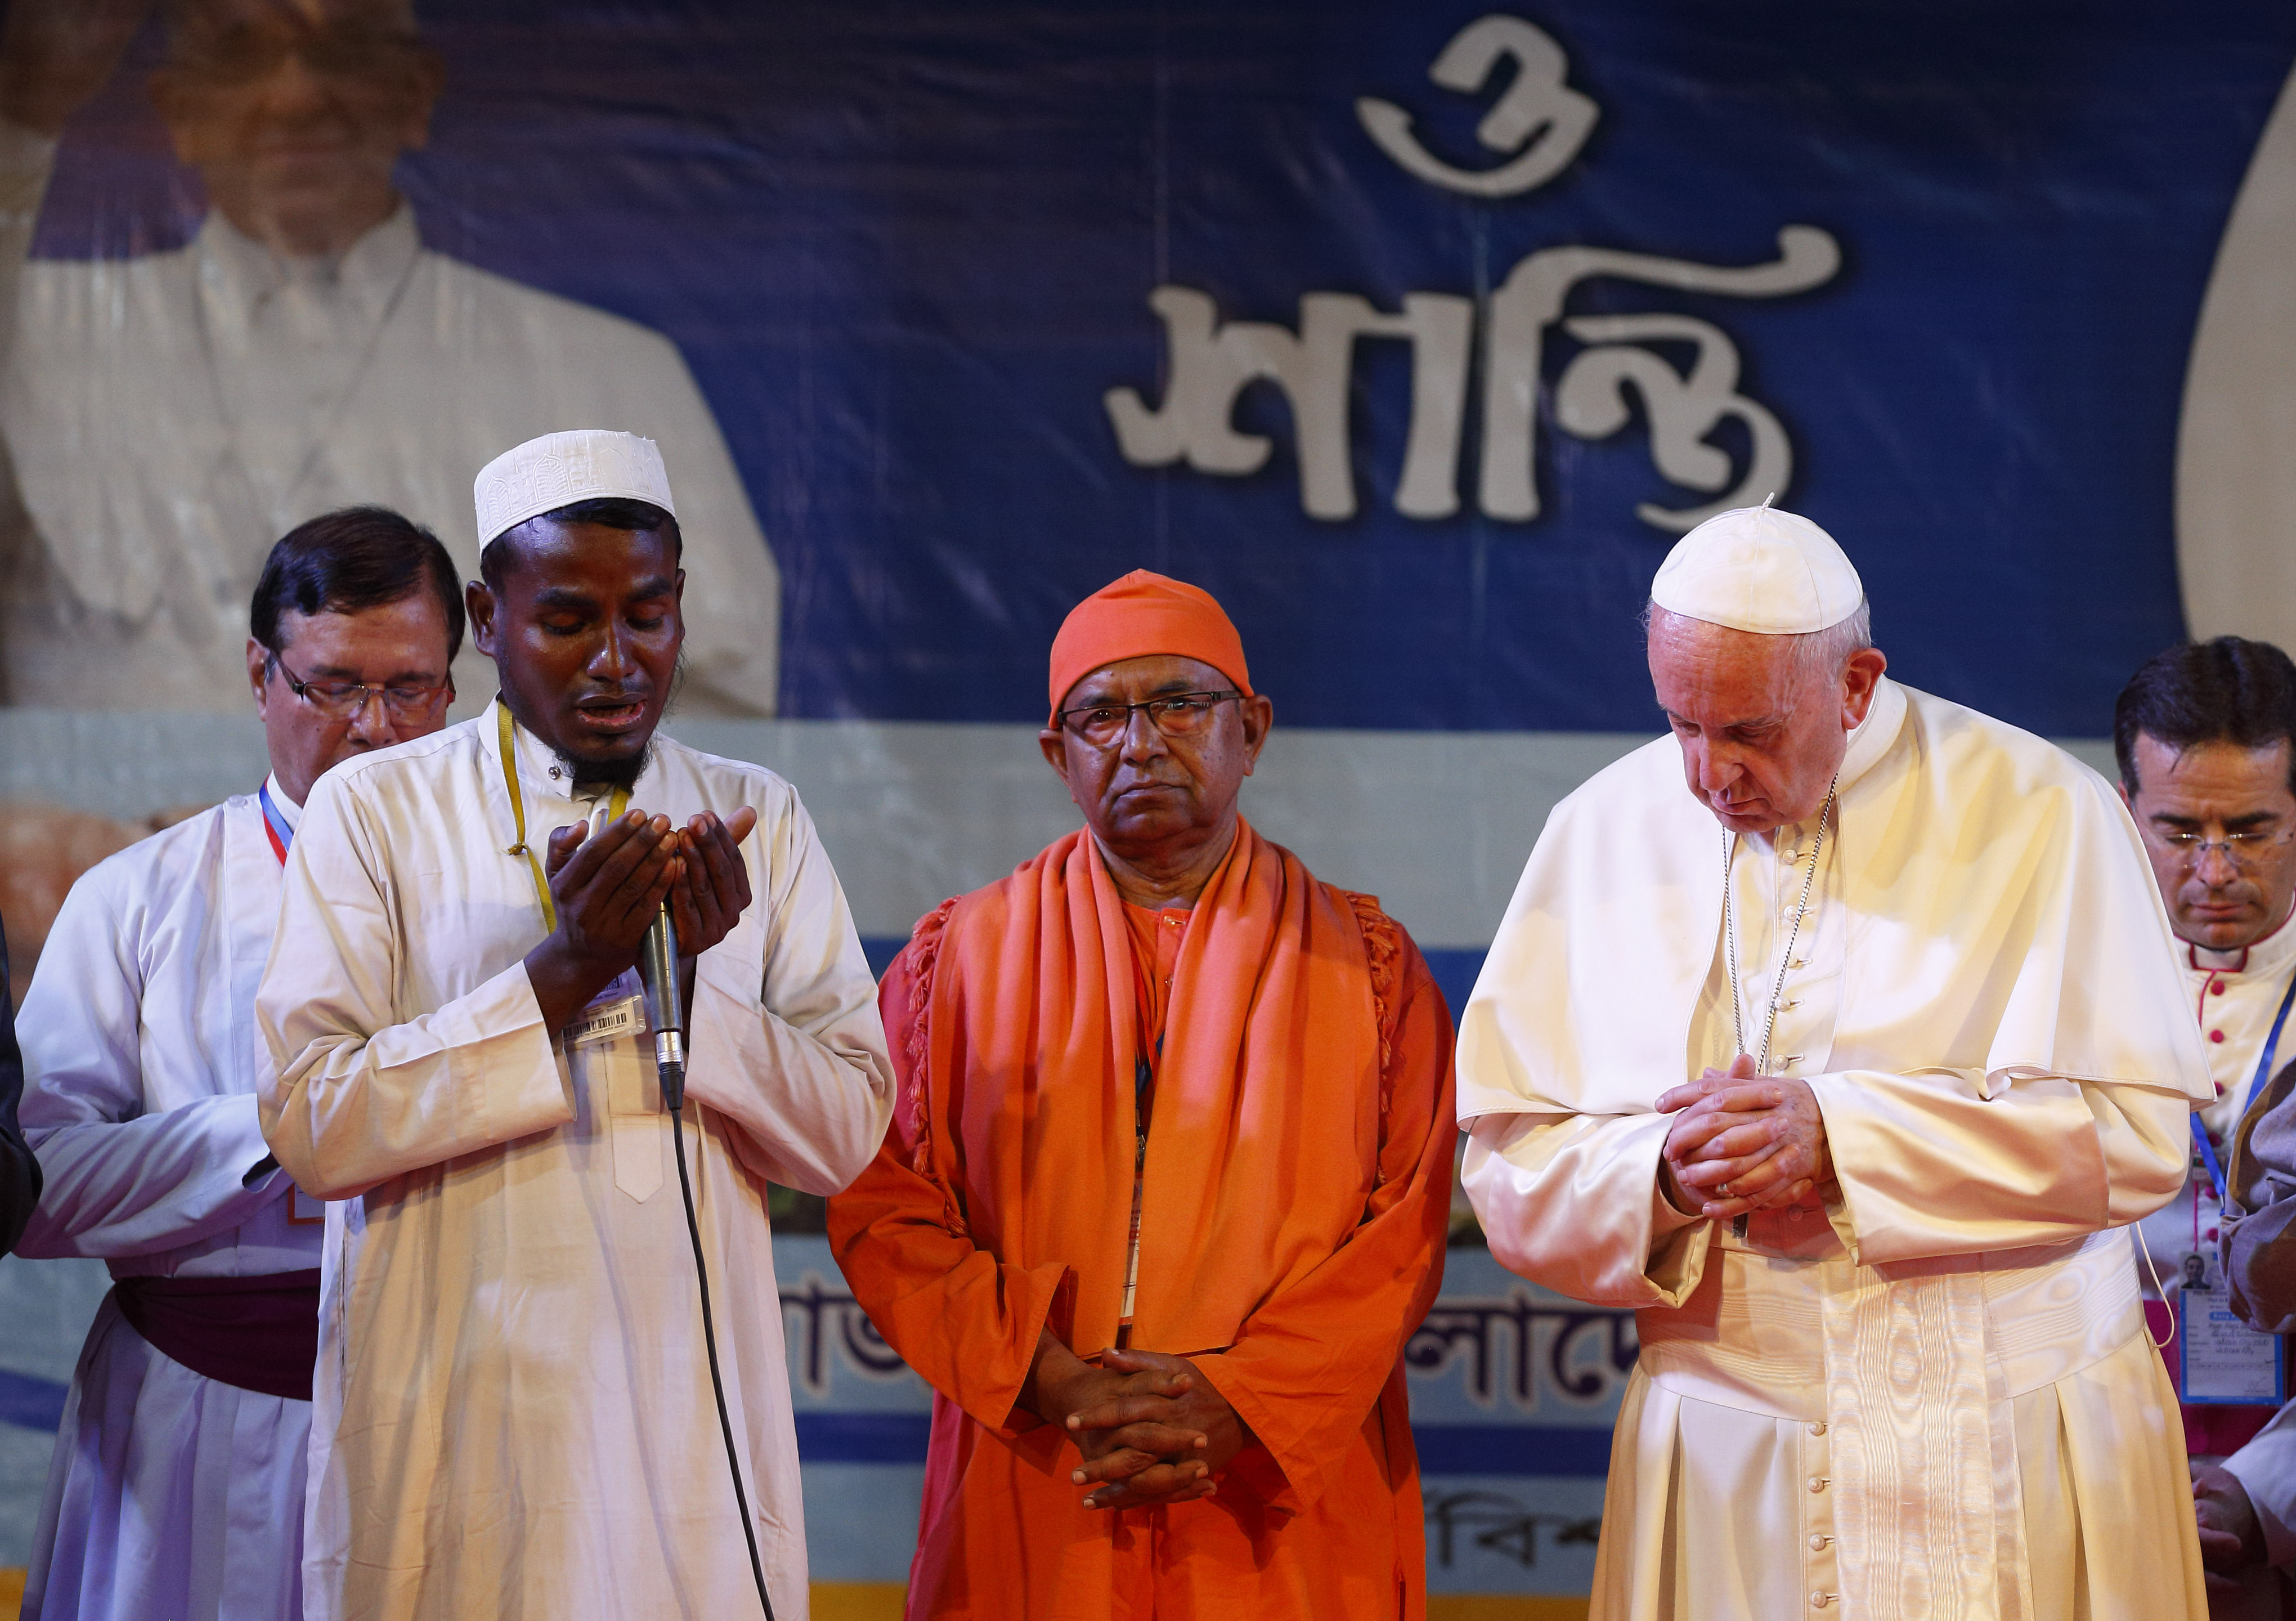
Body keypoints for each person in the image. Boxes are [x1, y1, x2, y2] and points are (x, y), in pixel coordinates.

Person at [1458, 503, 2214, 1619]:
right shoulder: (1601, 828)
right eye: (1681, 725)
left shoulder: (2043, 810)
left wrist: (1841, 1136)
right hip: (1735, 1448)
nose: (1709, 776)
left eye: (1751, 732)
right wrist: (1661, 1174)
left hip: (2014, 1424)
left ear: (1857, 685)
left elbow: (2140, 1144)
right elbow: (1510, 1163)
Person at [255, 428, 890, 1621]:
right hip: (456, 1404)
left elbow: (849, 1130)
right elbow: (311, 1119)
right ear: (489, 619)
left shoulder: (756, 816)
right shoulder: (375, 810)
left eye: (647, 616)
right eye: (567, 622)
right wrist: (565, 972)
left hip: (686, 1416)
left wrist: (702, 998)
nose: (616, 660)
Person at [828, 570, 1456, 1620]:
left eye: (1178, 704)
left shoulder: (1371, 968)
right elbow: (883, 1203)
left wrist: (1238, 1402)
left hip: (1271, 1488)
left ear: (1250, 730)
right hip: (1044, 1463)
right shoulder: (956, 962)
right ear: (1056, 754)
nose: (1139, 741)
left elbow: (1405, 1234)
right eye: (1102, 714)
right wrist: (1051, 1377)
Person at [0, 0, 779, 713]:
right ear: (179, 113)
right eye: (241, 53)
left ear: (416, 94)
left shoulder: (609, 371)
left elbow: (720, 700)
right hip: (111, 854)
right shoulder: (38, 334)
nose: (295, 97)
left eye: (346, 52)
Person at [11, 505, 461, 1621]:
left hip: (454, 1419)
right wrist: (290, 1123)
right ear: (261, 673)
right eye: (334, 685)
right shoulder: (139, 897)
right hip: (191, 1420)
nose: (375, 727)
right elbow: (33, 1191)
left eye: (411, 686)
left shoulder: (525, 910)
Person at [2113, 638, 2296, 1617]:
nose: (2216, 869)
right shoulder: (2048, 997)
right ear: (2125, 815)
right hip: (2088, 1485)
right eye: (2181, 831)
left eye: (2253, 829)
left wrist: (2265, 1493)